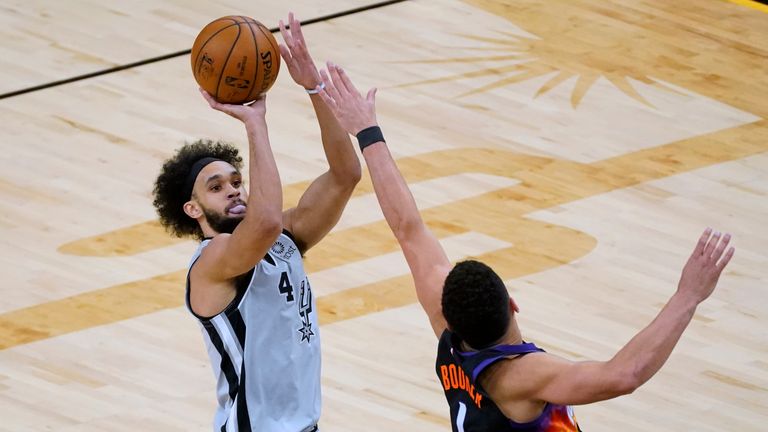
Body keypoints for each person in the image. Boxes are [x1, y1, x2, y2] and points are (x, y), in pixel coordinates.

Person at [315, 62, 736, 431]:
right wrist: (689, 295)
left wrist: (367, 134)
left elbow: (407, 228)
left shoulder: (449, 341)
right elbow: (622, 375)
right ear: (513, 303)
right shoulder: (521, 377)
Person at [152, 14, 361, 432]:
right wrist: (254, 122)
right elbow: (263, 222)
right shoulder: (211, 265)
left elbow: (345, 174)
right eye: (216, 187)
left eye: (236, 181)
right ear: (192, 209)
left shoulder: (283, 239)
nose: (233, 189)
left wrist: (313, 88)